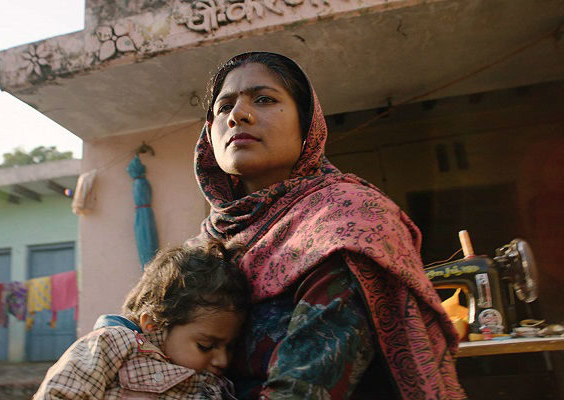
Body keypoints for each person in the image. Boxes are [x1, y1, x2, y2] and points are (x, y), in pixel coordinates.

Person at [191, 52, 467, 399]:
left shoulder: (348, 219)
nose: (237, 116)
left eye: (264, 99)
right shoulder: (206, 245)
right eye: (224, 107)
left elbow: (303, 389)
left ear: (307, 125)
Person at [34, 241, 250, 399]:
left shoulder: (217, 386)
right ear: (154, 324)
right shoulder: (115, 343)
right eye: (206, 346)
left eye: (230, 347)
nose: (222, 360)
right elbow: (58, 393)